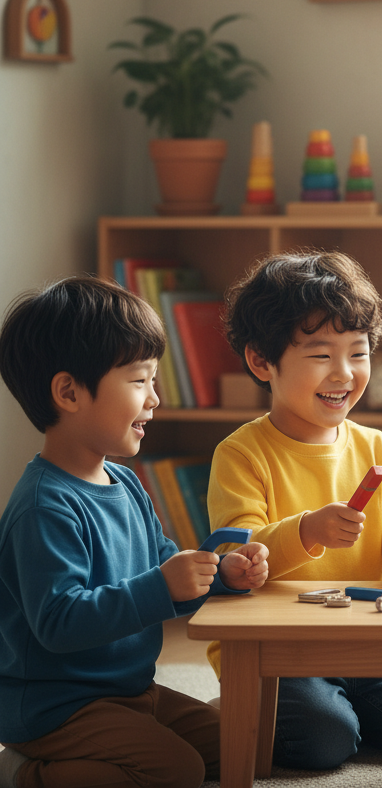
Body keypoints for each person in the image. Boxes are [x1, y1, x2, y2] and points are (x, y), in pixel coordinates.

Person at [206, 249, 382, 771]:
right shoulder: (241, 453)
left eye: (358, 352)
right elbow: (239, 564)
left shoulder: (378, 448)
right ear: (262, 361)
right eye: (321, 355)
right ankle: (246, 705)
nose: (344, 373)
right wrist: (307, 530)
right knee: (324, 742)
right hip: (276, 652)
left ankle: (338, 710)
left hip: (363, 642)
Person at [0, 276, 269, 788]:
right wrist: (161, 587)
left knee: (239, 741)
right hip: (57, 707)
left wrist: (221, 577)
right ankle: (23, 770)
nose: (155, 399)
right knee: (178, 771)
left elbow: (164, 566)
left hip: (128, 690)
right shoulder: (43, 507)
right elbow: (59, 622)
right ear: (68, 392)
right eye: (140, 380)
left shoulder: (123, 481)